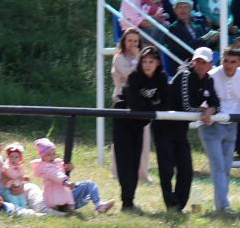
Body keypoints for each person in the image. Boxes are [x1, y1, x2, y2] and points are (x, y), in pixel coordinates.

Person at [163, 47, 220, 212]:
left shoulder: (208, 80)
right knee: (167, 169)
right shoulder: (184, 75)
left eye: (204, 62)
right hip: (165, 126)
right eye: (197, 61)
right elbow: (186, 106)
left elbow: (216, 103)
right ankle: (171, 205)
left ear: (210, 65)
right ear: (193, 62)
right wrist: (203, 111)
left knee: (186, 169)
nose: (200, 65)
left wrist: (210, 110)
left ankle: (179, 206)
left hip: (180, 128)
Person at [117, 43, 170, 211]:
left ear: (158, 63)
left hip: (140, 123)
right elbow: (135, 104)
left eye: (151, 61)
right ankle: (127, 202)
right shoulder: (134, 77)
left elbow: (165, 102)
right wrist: (153, 104)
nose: (147, 65)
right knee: (126, 162)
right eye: (144, 61)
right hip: (124, 121)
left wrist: (152, 105)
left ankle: (130, 200)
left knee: (135, 162)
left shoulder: (161, 78)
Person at [202, 47, 240, 212]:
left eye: (233, 62)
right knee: (218, 165)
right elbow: (205, 100)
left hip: (232, 124)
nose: (228, 65)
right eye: (226, 61)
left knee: (226, 165)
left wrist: (236, 119)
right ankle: (224, 204)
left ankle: (220, 205)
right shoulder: (212, 76)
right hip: (212, 125)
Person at [33, 138, 113, 213]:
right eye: (48, 155)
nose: (52, 156)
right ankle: (97, 205)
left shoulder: (55, 162)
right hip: (57, 200)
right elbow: (55, 174)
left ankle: (99, 204)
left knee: (89, 184)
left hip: (64, 195)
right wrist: (65, 181)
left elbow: (61, 169)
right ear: (42, 156)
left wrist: (69, 167)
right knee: (88, 184)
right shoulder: (44, 167)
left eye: (54, 154)